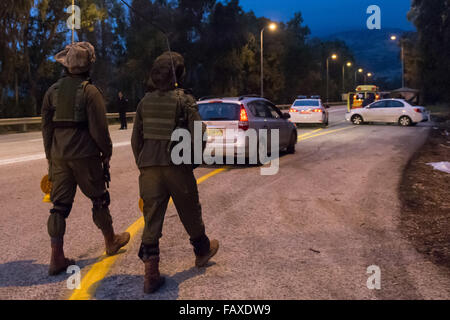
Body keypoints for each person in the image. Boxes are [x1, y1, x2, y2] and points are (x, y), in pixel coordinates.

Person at [131, 51, 219, 294]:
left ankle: (150, 275)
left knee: (151, 216)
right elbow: (199, 134)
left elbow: (136, 140)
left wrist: (143, 163)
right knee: (190, 209)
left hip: (149, 168)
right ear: (177, 75)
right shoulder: (185, 101)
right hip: (177, 166)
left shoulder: (143, 103)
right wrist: (190, 162)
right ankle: (202, 251)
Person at [41, 42, 130, 276]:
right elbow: (100, 129)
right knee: (99, 199)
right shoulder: (90, 92)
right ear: (88, 65)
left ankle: (56, 257)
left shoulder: (52, 92)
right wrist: (107, 152)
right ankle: (110, 241)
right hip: (86, 156)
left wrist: (51, 156)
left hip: (59, 157)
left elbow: (46, 128)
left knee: (59, 206)